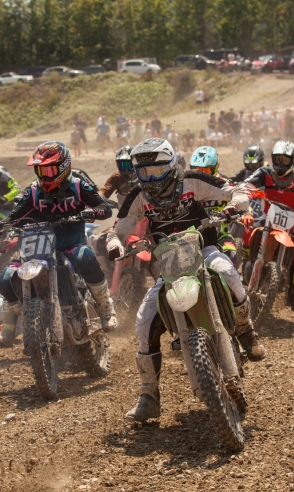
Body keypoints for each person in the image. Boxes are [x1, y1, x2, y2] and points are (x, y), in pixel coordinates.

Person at [106, 138, 261, 423]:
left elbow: (236, 190)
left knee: (229, 274)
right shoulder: (138, 196)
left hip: (205, 249)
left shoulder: (192, 181)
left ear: (172, 164)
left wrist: (234, 206)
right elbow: (118, 228)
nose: (151, 178)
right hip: (168, 263)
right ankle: (149, 396)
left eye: (158, 169)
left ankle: (245, 330)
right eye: (145, 172)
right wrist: (115, 244)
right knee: (143, 323)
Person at [0, 142, 117, 348]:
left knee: (86, 257)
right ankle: (12, 327)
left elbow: (104, 208)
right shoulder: (33, 191)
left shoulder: (77, 185)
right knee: (5, 279)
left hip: (70, 243)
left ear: (64, 167)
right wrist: (1, 225)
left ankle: (105, 308)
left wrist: (89, 212)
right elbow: (16, 214)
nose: (45, 176)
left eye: (49, 170)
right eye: (40, 170)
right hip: (38, 247)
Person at [244, 141, 294, 311]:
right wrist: (244, 189)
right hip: (266, 218)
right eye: (278, 159)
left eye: (285, 160)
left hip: (290, 222)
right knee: (248, 231)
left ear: (293, 161)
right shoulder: (265, 172)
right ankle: (247, 263)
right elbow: (248, 183)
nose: (280, 164)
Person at [189, 146, 246, 264]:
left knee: (231, 256)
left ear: (215, 168)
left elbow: (241, 197)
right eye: (196, 170)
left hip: (222, 233)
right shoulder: (186, 187)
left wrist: (244, 212)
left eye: (205, 171)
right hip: (193, 236)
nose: (200, 175)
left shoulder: (225, 184)